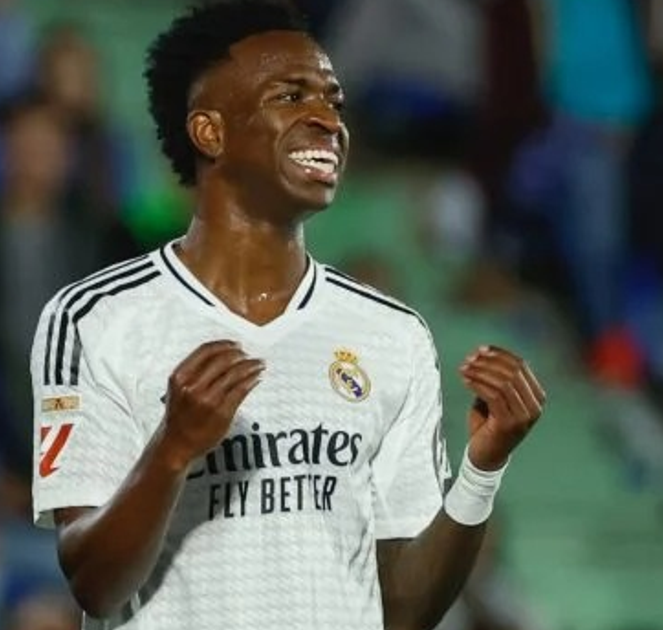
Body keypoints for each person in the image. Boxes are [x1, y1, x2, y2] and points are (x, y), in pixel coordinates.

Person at [29, 3, 548, 630]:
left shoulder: (392, 334)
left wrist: (482, 470)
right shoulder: (96, 320)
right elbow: (94, 585)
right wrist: (171, 452)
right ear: (209, 132)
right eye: (291, 96)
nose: (326, 120)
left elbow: (404, 611)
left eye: (334, 100)